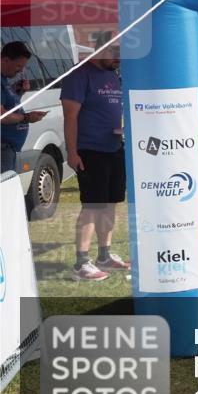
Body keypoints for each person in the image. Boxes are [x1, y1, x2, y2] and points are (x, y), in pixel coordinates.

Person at [60, 39, 128, 282]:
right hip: (90, 151)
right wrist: (72, 152)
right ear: (101, 49)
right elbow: (70, 117)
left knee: (110, 204)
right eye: (115, 54)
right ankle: (81, 263)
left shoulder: (112, 75)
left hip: (114, 147)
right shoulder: (79, 76)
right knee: (92, 206)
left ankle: (105, 255)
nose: (119, 59)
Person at [1, 41, 46, 174]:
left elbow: (9, 105)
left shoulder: (5, 80)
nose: (21, 70)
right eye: (19, 65)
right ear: (5, 60)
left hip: (8, 148)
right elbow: (2, 116)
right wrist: (26, 117)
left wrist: (18, 92)